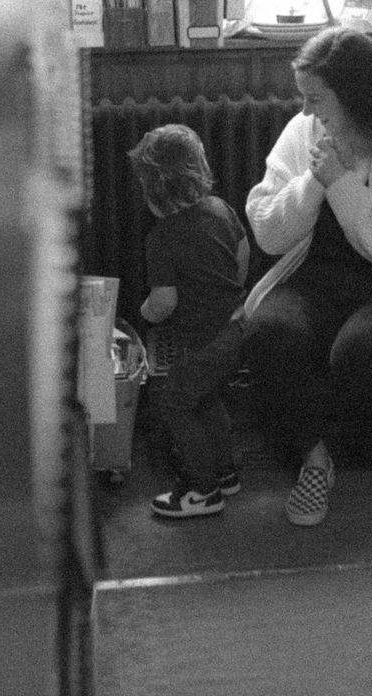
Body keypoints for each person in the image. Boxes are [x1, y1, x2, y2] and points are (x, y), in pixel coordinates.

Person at [240, 27, 372, 526]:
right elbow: (269, 232)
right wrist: (313, 182)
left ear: (356, 95)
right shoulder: (306, 134)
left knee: (366, 348)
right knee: (269, 332)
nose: (306, 112)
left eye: (316, 99)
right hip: (317, 273)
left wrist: (339, 182)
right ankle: (315, 457)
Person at [129, 124, 251, 519]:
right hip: (236, 326)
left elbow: (165, 302)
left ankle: (203, 489)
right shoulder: (220, 209)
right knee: (207, 398)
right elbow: (243, 251)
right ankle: (225, 471)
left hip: (205, 339)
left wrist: (142, 313)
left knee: (176, 402)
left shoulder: (161, 238)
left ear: (153, 190)